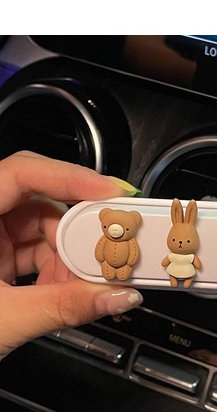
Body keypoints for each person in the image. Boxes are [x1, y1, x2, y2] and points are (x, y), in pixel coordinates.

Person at [0, 151, 144, 361]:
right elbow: (100, 250)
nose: (115, 230)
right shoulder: (102, 239)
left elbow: (132, 254)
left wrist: (129, 261)